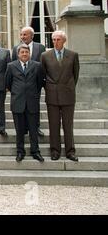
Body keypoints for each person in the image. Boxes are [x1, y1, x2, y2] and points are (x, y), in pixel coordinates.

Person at [41, 30, 80, 162]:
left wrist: (67, 87)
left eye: (58, 39)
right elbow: (42, 76)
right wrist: (51, 88)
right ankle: (55, 151)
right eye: (54, 40)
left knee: (68, 125)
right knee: (54, 124)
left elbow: (76, 75)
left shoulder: (73, 55)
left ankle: (70, 151)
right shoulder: (45, 55)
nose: (55, 42)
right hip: (52, 94)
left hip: (68, 94)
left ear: (64, 40)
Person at [5, 44, 44, 162]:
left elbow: (39, 83)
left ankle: (35, 151)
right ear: (18, 54)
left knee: (33, 129)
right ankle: (20, 151)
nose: (24, 54)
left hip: (32, 101)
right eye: (22, 52)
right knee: (19, 130)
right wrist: (18, 92)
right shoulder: (11, 66)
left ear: (29, 54)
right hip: (18, 102)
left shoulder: (37, 66)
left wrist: (31, 93)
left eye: (26, 52)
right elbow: (8, 83)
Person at [12, 26, 46, 137]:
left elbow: (43, 65)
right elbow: (13, 66)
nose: (23, 37)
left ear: (32, 35)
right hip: (20, 86)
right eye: (21, 34)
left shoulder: (40, 47)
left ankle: (36, 127)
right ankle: (24, 128)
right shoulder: (16, 48)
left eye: (25, 34)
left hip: (35, 84)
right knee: (22, 107)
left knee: (34, 107)